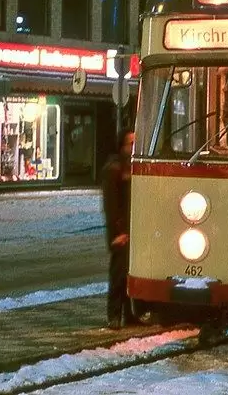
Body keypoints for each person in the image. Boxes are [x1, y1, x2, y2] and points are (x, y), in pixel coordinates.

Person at [102, 129, 136, 329]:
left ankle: (129, 314)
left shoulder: (129, 167)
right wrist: (118, 232)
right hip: (120, 232)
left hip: (130, 231)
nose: (132, 148)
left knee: (128, 273)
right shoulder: (114, 169)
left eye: (135, 143)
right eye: (129, 143)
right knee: (118, 274)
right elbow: (112, 205)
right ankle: (114, 315)